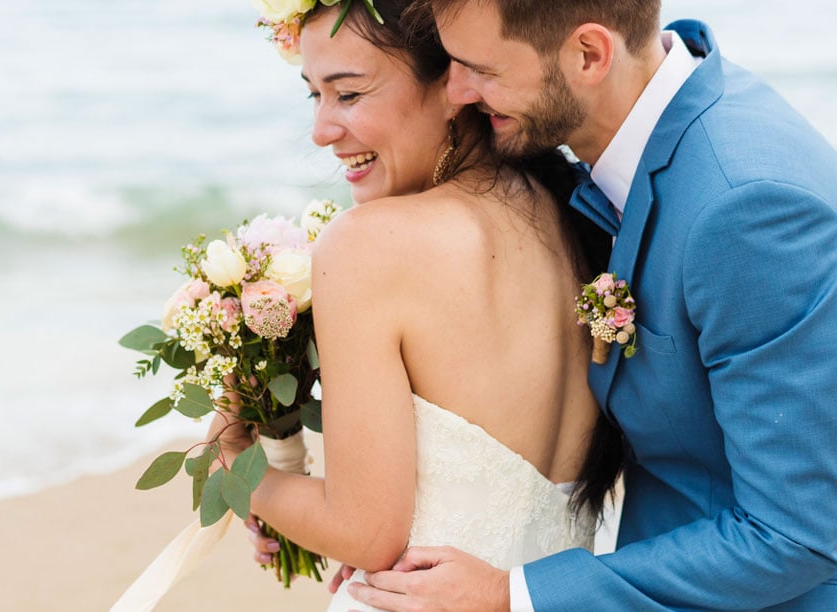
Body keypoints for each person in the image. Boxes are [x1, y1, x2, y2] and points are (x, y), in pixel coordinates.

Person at [345, 1, 837, 610]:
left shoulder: (746, 211)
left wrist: (510, 595)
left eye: (481, 70)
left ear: (589, 55)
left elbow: (797, 535)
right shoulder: (654, 129)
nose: (456, 90)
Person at [210, 0, 620, 609]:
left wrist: (235, 467)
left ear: (454, 84)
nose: (322, 129)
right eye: (313, 96)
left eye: (348, 95)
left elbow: (365, 534)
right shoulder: (575, 214)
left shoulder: (369, 246)